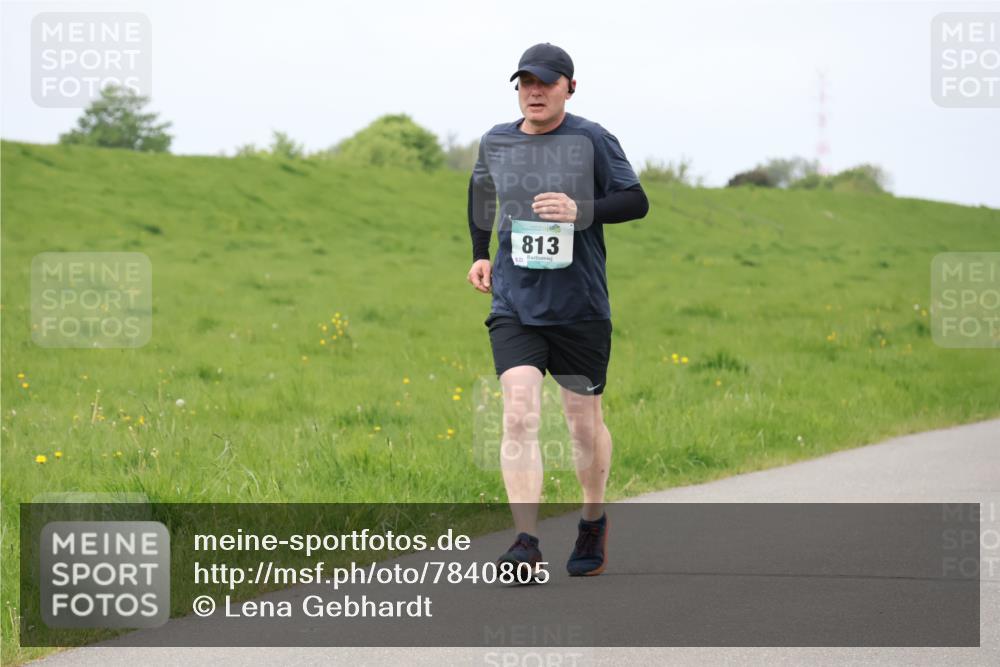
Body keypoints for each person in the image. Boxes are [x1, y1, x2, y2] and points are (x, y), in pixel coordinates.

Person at [466, 43, 649, 578]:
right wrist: (480, 255)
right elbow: (480, 199)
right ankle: (525, 540)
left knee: (581, 423)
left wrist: (581, 210)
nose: (534, 92)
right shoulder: (496, 141)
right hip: (516, 303)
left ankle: (592, 518)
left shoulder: (591, 138)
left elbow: (635, 200)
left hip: (579, 307)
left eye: (545, 83)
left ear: (570, 86)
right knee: (519, 411)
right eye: (525, 83)